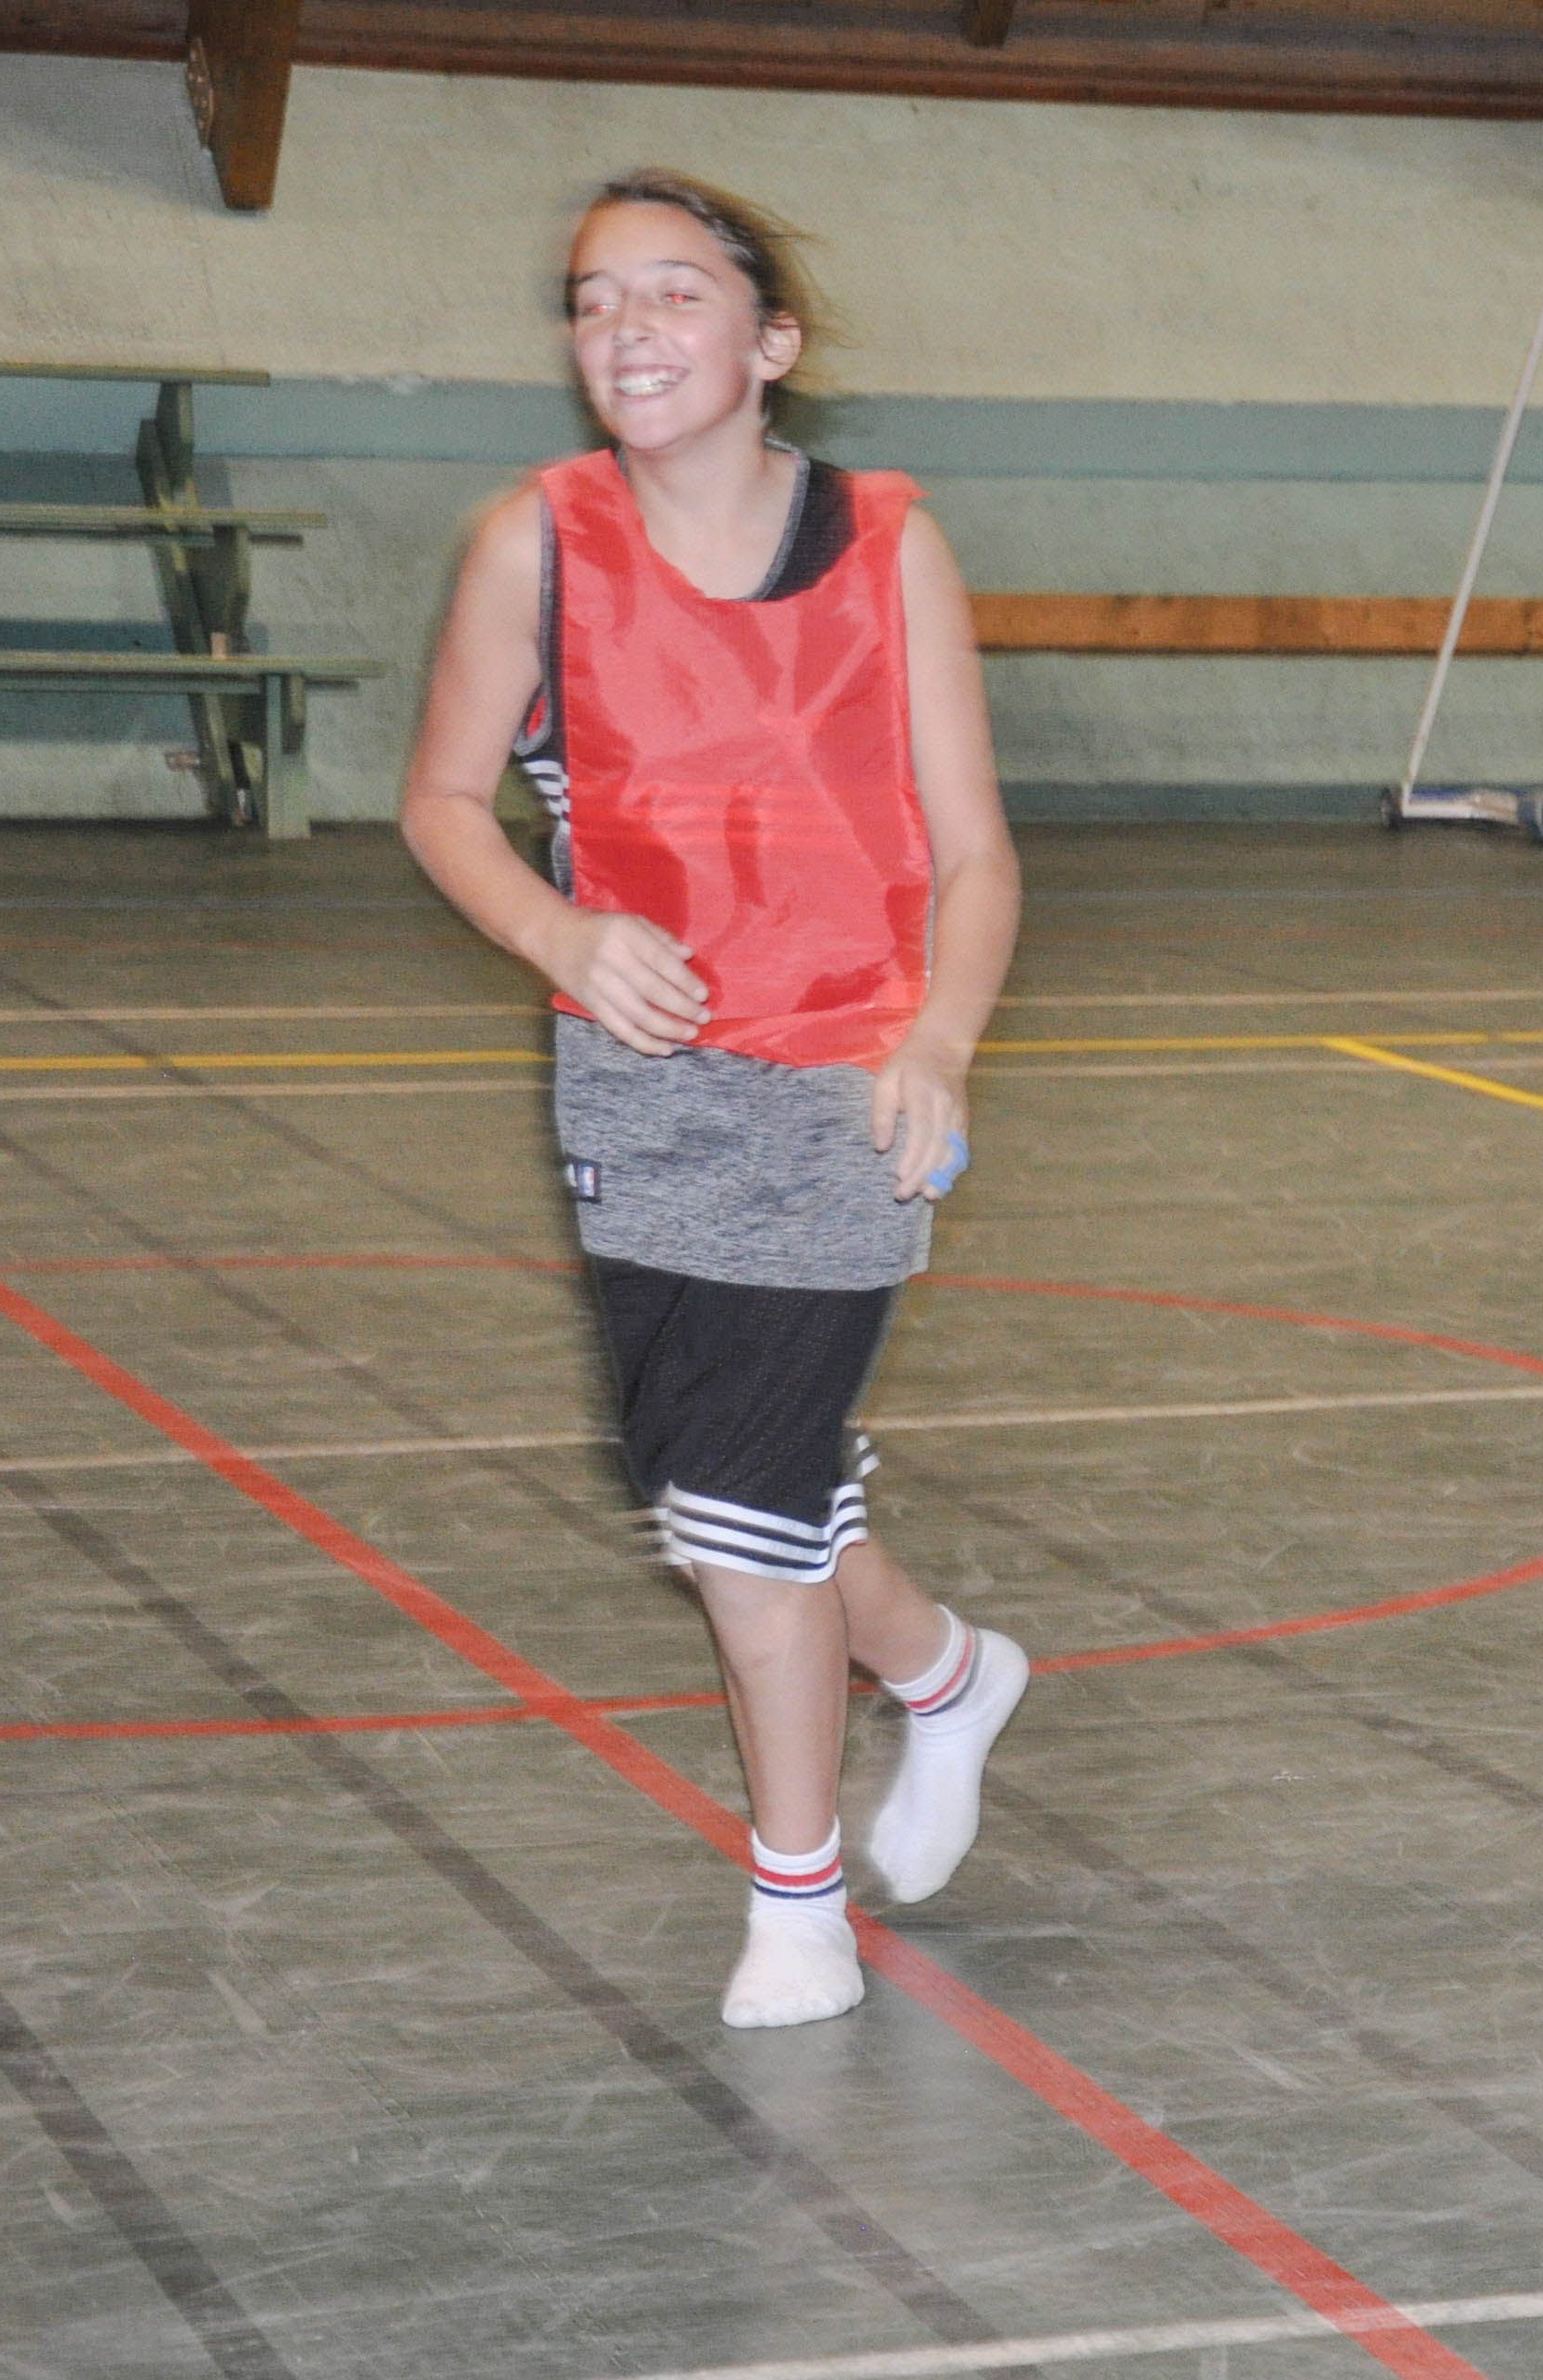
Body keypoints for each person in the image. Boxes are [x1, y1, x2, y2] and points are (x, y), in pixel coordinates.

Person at [398, 171, 1029, 2029]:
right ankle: (946, 1671)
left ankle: (795, 1902)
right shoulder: (531, 545)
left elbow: (976, 853)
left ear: (770, 342)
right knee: (728, 1501)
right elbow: (441, 802)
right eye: (595, 299)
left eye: (674, 293)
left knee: (743, 1531)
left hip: (850, 1086)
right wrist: (556, 930)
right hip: (641, 1088)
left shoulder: (888, 547)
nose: (628, 328)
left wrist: (940, 1039)